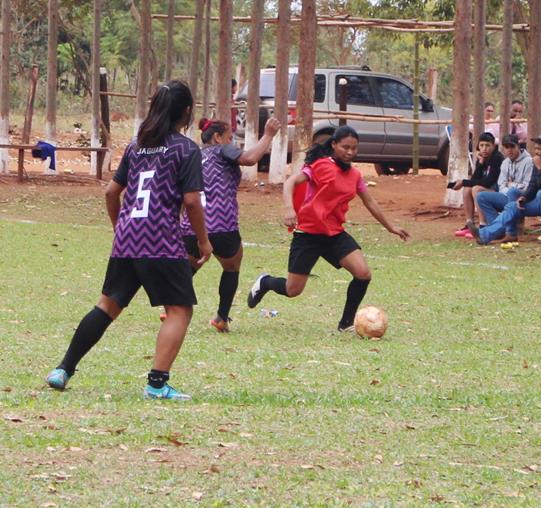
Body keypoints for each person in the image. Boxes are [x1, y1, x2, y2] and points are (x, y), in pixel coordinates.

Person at [45, 80, 211, 400]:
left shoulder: (137, 146)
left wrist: (120, 228)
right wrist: (203, 242)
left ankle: (62, 369)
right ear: (187, 112)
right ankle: (157, 384)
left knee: (107, 306)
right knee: (180, 310)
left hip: (128, 238)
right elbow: (191, 202)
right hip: (161, 240)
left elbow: (111, 192)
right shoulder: (186, 149)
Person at [246, 125, 410, 332]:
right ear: (334, 145)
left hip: (334, 234)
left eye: (354, 148)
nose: (350, 152)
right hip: (308, 234)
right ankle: (266, 282)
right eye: (345, 147)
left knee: (363, 274)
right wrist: (288, 208)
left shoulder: (355, 175)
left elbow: (370, 202)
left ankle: (346, 324)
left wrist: (390, 227)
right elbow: (291, 182)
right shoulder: (320, 166)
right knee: (293, 289)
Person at [179, 115, 281, 333]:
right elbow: (250, 159)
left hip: (190, 225)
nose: (232, 143)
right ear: (217, 137)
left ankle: (173, 308)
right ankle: (221, 318)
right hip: (221, 224)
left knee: (191, 265)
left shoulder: (194, 155)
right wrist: (268, 135)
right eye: (229, 138)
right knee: (232, 266)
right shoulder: (222, 150)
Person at [468, 132, 541, 244]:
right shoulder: (536, 161)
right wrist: (524, 198)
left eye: (539, 149)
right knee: (511, 205)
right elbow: (533, 185)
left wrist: (540, 168)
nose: (536, 152)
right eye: (506, 147)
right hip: (537, 200)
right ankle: (487, 234)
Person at [453, 132, 505, 237]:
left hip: (497, 191)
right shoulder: (482, 158)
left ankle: (483, 226)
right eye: (481, 145)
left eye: (487, 145)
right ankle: (470, 224)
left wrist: (463, 182)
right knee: (468, 188)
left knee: (476, 189)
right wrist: (480, 164)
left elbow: (489, 181)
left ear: (493, 146)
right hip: (487, 189)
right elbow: (475, 179)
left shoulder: (497, 158)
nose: (484, 149)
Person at [474, 134, 532, 225]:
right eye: (506, 147)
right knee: (481, 197)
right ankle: (495, 226)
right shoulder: (505, 162)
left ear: (518, 146)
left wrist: (511, 185)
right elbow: (501, 185)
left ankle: (496, 228)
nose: (509, 150)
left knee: (513, 192)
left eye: (512, 146)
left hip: (522, 198)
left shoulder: (528, 161)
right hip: (505, 196)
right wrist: (510, 189)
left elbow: (527, 186)